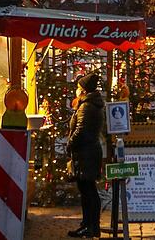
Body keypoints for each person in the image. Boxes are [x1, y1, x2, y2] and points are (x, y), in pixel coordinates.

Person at [67, 72, 105, 239]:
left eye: (78, 87)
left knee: (87, 190)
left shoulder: (86, 106)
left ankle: (90, 226)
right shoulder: (92, 104)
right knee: (88, 190)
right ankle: (89, 225)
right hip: (89, 151)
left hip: (85, 152)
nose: (76, 90)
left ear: (83, 90)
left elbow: (80, 130)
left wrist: (70, 144)